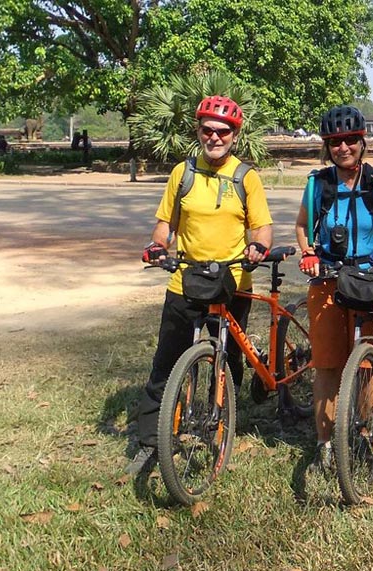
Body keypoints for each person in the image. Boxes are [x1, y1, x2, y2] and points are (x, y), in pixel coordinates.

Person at [131, 96, 274, 474]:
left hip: (232, 281)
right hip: (185, 280)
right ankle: (150, 442)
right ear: (198, 132)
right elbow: (166, 223)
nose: (214, 137)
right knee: (166, 363)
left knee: (229, 359)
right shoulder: (184, 173)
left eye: (222, 131)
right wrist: (157, 245)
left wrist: (259, 246)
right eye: (207, 130)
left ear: (234, 135)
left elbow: (262, 226)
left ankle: (220, 423)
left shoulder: (246, 177)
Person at [293, 105, 373, 473]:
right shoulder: (316, 185)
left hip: (370, 280)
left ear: (362, 142)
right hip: (328, 281)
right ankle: (324, 444)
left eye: (350, 140)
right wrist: (307, 252)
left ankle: (367, 433)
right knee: (327, 366)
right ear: (327, 146)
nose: (343, 147)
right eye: (335, 142)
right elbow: (302, 226)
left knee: (367, 361)